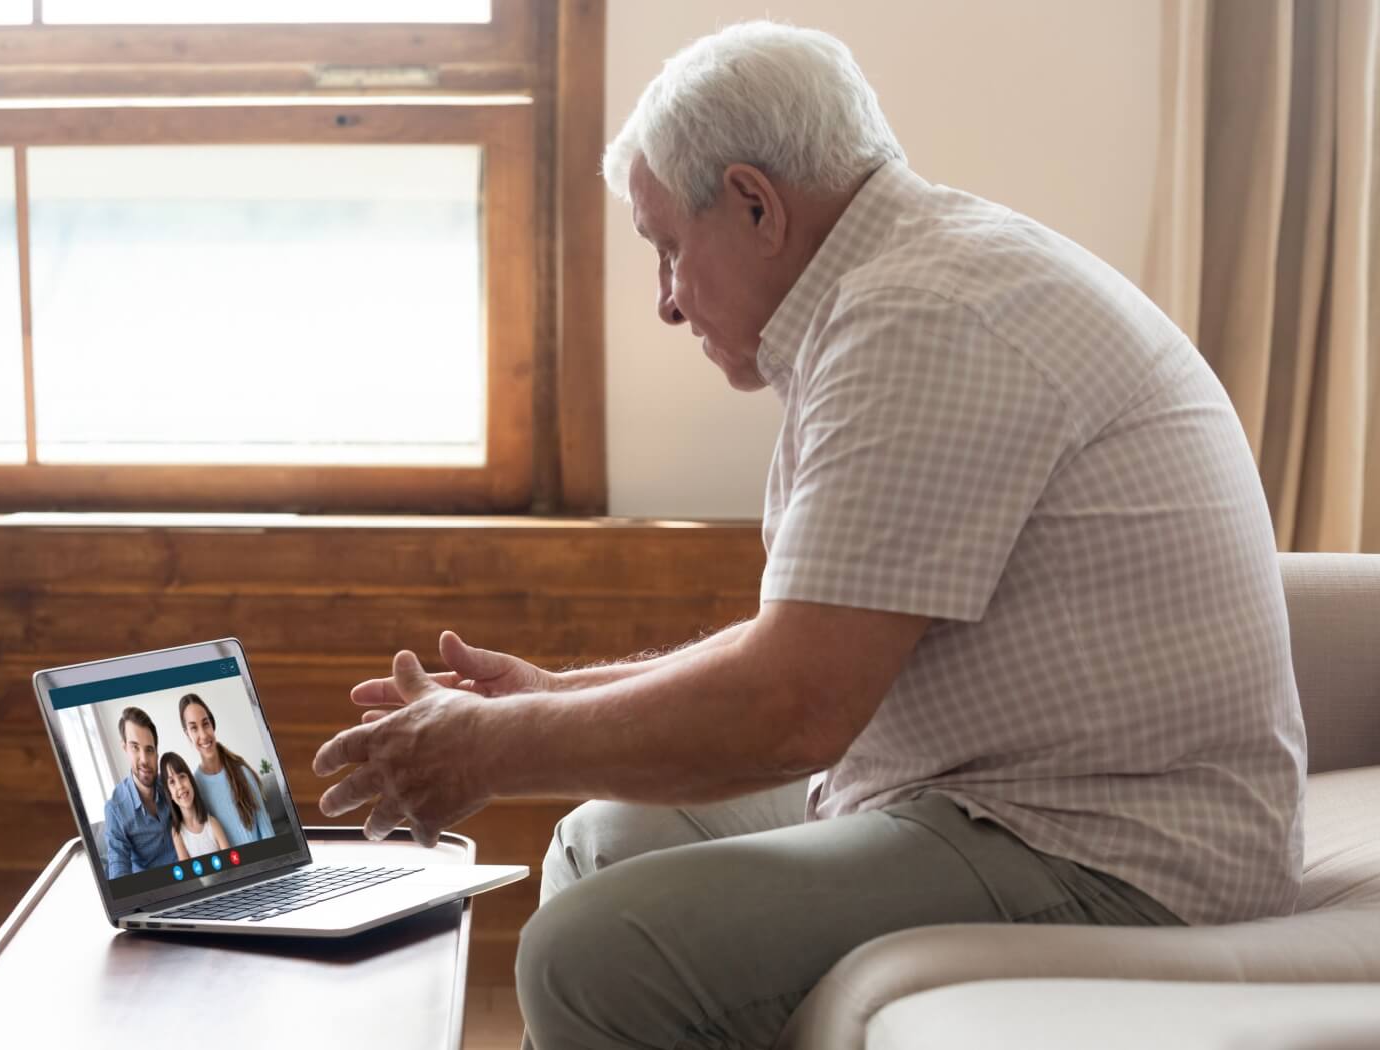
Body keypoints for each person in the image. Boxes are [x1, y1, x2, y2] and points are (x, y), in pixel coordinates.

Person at [312, 21, 1306, 1050]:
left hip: (1111, 853)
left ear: (754, 202)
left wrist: (485, 752)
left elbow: (791, 710)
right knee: (606, 841)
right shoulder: (907, 284)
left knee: (589, 952)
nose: (663, 299)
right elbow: (796, 650)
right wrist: (555, 699)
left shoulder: (921, 321)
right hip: (996, 793)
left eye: (665, 248)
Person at [179, 692, 273, 846]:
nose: (203, 734)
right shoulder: (195, 788)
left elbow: (267, 831)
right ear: (187, 734)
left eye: (205, 724)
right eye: (194, 728)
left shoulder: (242, 772)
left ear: (212, 725)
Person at [102, 706, 178, 878]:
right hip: (152, 892)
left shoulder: (169, 786)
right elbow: (118, 864)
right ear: (125, 748)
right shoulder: (115, 808)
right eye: (135, 747)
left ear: (157, 753)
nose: (144, 759)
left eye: (149, 749)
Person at [160, 751, 230, 861]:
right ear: (170, 794)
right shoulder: (178, 833)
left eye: (182, 776)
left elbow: (231, 862)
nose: (180, 786)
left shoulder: (212, 824)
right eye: (172, 782)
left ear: (191, 781)